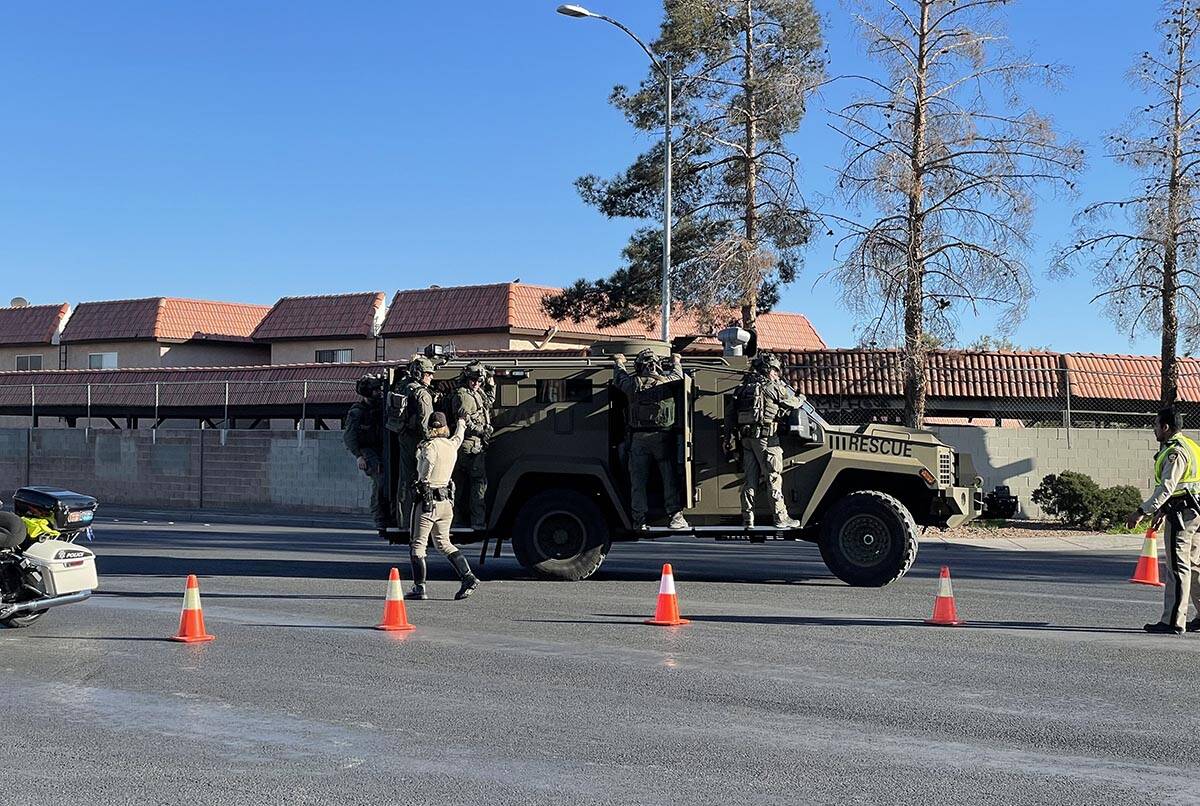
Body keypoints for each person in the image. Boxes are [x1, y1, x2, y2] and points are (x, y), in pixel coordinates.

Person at [1125, 407, 1200, 635]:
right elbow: (1183, 487)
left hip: (1182, 516)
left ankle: (1173, 621)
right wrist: (1162, 511)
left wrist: (1142, 511)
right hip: (1193, 512)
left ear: (1166, 427)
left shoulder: (1174, 452)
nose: (1154, 429)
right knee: (1194, 567)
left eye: (1156, 425)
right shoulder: (1192, 446)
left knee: (1178, 569)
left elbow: (1167, 487)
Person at [406, 411, 480, 601]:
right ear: (445, 427)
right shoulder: (451, 445)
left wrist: (423, 478)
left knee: (418, 545)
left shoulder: (429, 446)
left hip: (428, 501)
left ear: (430, 428)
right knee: (444, 543)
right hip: (446, 502)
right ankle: (468, 576)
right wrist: (462, 422)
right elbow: (459, 436)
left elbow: (428, 463)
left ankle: (419, 587)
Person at [613, 349, 689, 531]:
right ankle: (675, 516)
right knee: (668, 477)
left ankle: (639, 520)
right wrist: (676, 359)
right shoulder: (666, 382)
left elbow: (620, 378)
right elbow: (679, 374)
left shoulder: (632, 384)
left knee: (638, 482)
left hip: (639, 439)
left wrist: (619, 361)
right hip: (662, 438)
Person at [728, 352, 802, 529]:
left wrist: (729, 436)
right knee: (773, 478)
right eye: (775, 371)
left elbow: (730, 414)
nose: (777, 375)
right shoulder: (772, 388)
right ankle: (780, 518)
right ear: (768, 370)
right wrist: (801, 399)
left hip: (746, 440)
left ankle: (748, 518)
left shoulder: (743, 389)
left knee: (750, 480)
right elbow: (790, 403)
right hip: (767, 440)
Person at [343, 373, 401, 543]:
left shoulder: (381, 407)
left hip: (383, 448)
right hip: (368, 450)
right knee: (381, 481)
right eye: (375, 390)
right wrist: (359, 456)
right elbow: (349, 437)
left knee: (390, 480)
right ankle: (381, 519)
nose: (379, 393)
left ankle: (390, 515)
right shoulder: (358, 412)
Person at [449, 360, 496, 530]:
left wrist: (491, 382)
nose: (476, 384)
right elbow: (465, 423)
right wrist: (482, 430)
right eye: (474, 380)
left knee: (463, 485)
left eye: (479, 381)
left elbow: (488, 401)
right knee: (477, 484)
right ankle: (475, 521)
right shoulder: (464, 397)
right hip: (469, 446)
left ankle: (457, 520)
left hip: (473, 445)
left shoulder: (475, 393)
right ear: (467, 379)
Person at [396, 355, 436, 530]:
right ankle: (416, 522)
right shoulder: (421, 393)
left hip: (405, 438)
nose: (431, 377)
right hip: (417, 442)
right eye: (428, 373)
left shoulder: (404, 386)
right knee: (420, 481)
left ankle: (404, 520)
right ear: (419, 373)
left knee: (405, 480)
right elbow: (425, 423)